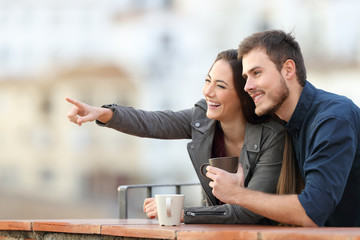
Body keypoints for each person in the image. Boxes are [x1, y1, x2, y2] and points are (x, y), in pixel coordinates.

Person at [66, 49, 289, 224]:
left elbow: (249, 211)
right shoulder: (203, 119)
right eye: (207, 80)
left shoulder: (271, 136)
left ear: (244, 96)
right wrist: (104, 113)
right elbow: (153, 122)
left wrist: (183, 213)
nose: (207, 91)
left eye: (220, 86)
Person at [206, 30, 360, 227]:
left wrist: (236, 194)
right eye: (246, 77)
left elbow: (311, 211)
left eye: (257, 73)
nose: (247, 86)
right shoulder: (280, 121)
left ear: (288, 69)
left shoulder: (332, 120)